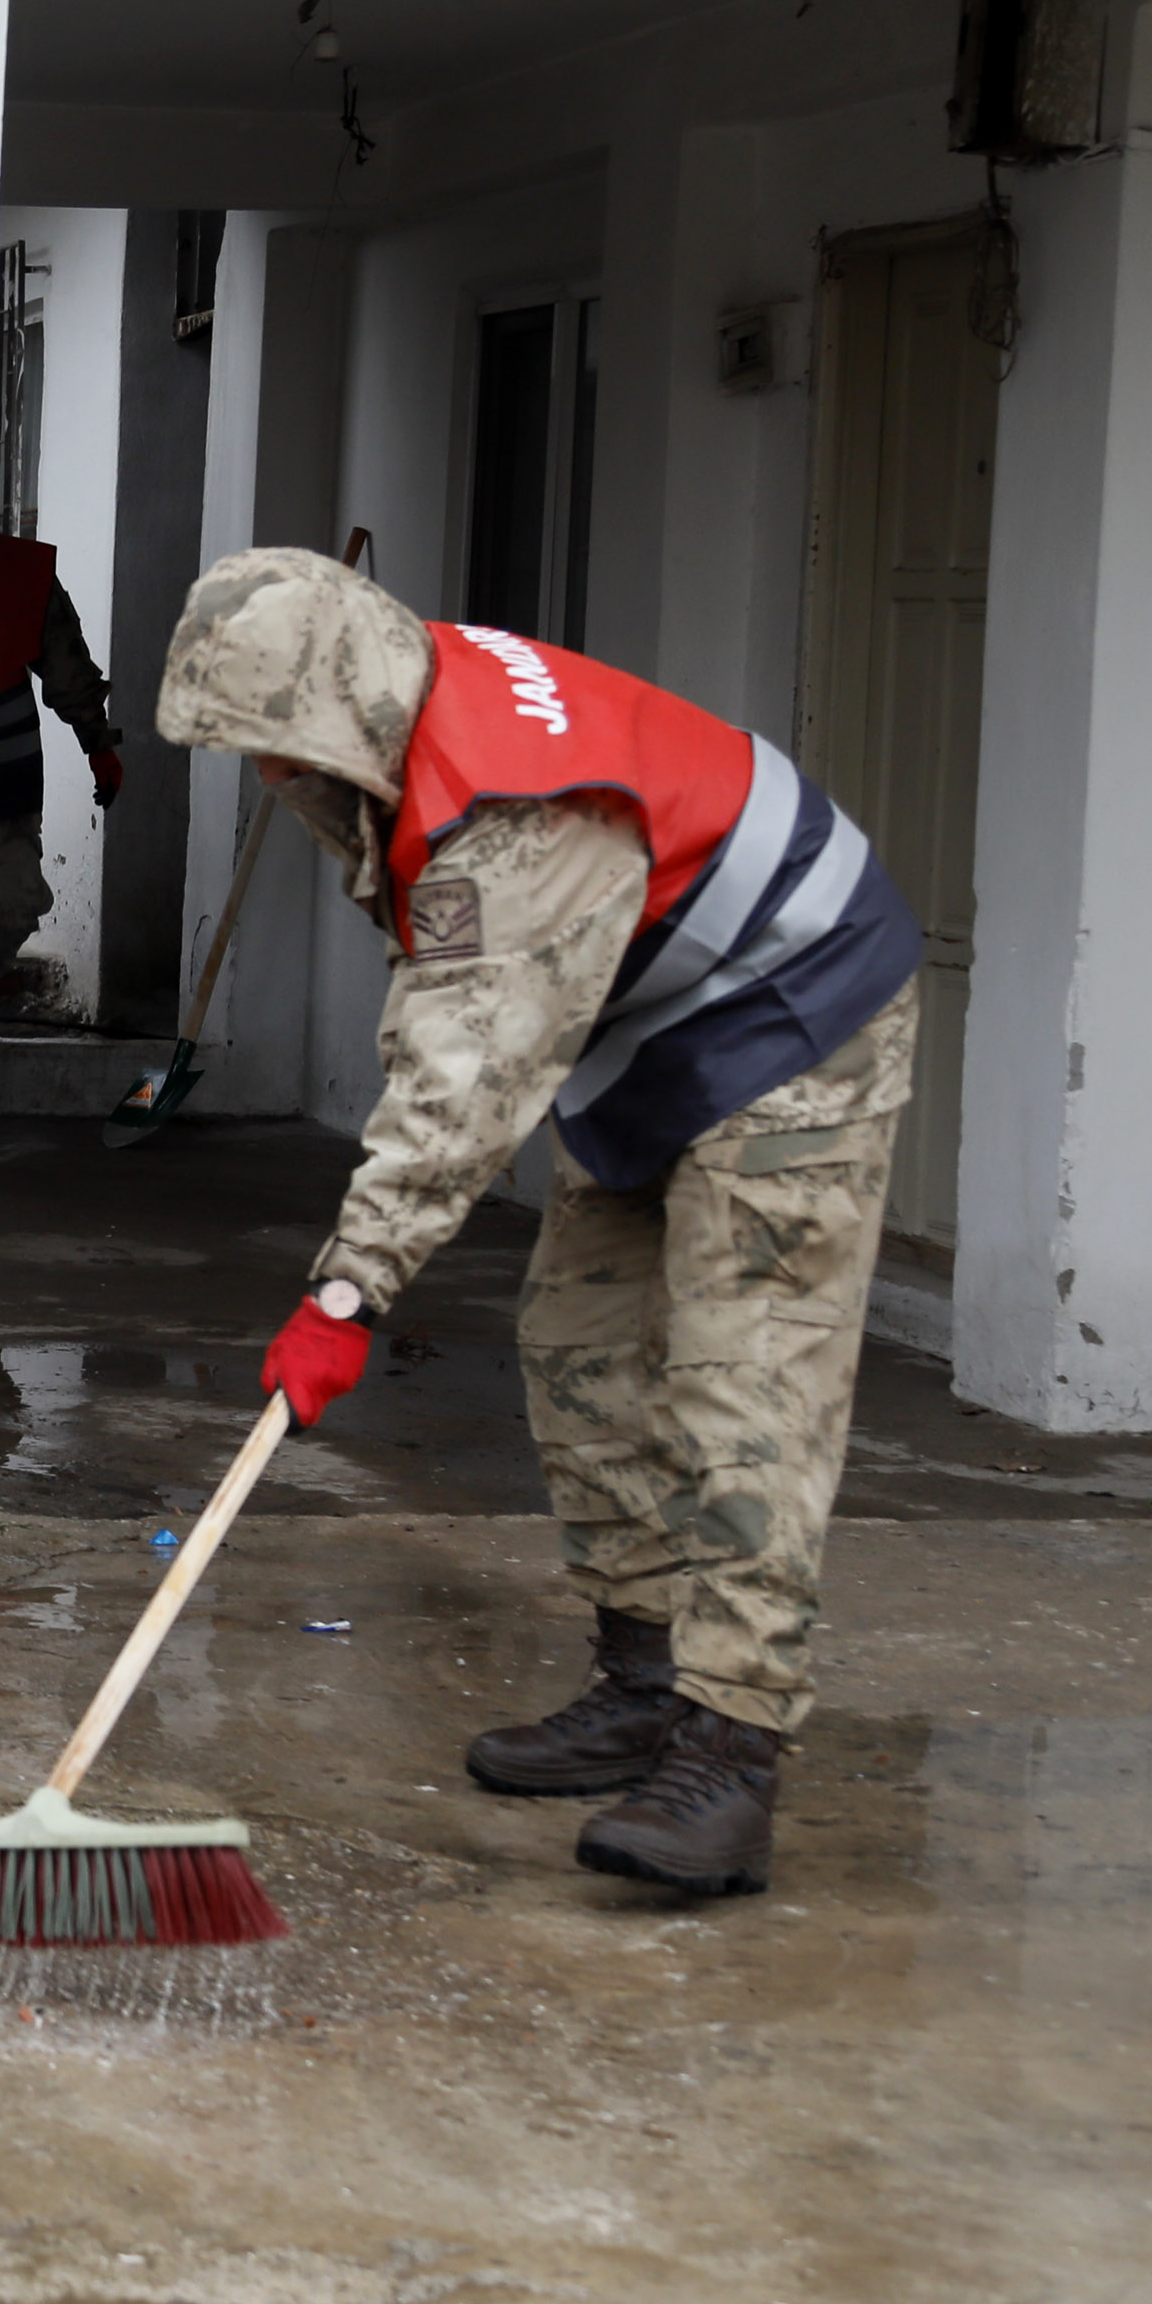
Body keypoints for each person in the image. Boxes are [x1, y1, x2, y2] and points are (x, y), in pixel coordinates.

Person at [150, 546, 924, 1898]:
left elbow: (459, 1087)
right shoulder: (398, 706)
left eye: (274, 749)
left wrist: (347, 1297)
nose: (269, 779)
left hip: (798, 1012)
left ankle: (732, 1751)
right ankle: (641, 1680)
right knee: (581, 1338)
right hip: (653, 1015)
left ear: (337, 706)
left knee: (749, 1378)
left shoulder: (513, 809)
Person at [0, 531, 123, 1020]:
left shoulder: (15, 570)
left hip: (2, 787)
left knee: (12, 902)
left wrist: (99, 747)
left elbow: (67, 667)